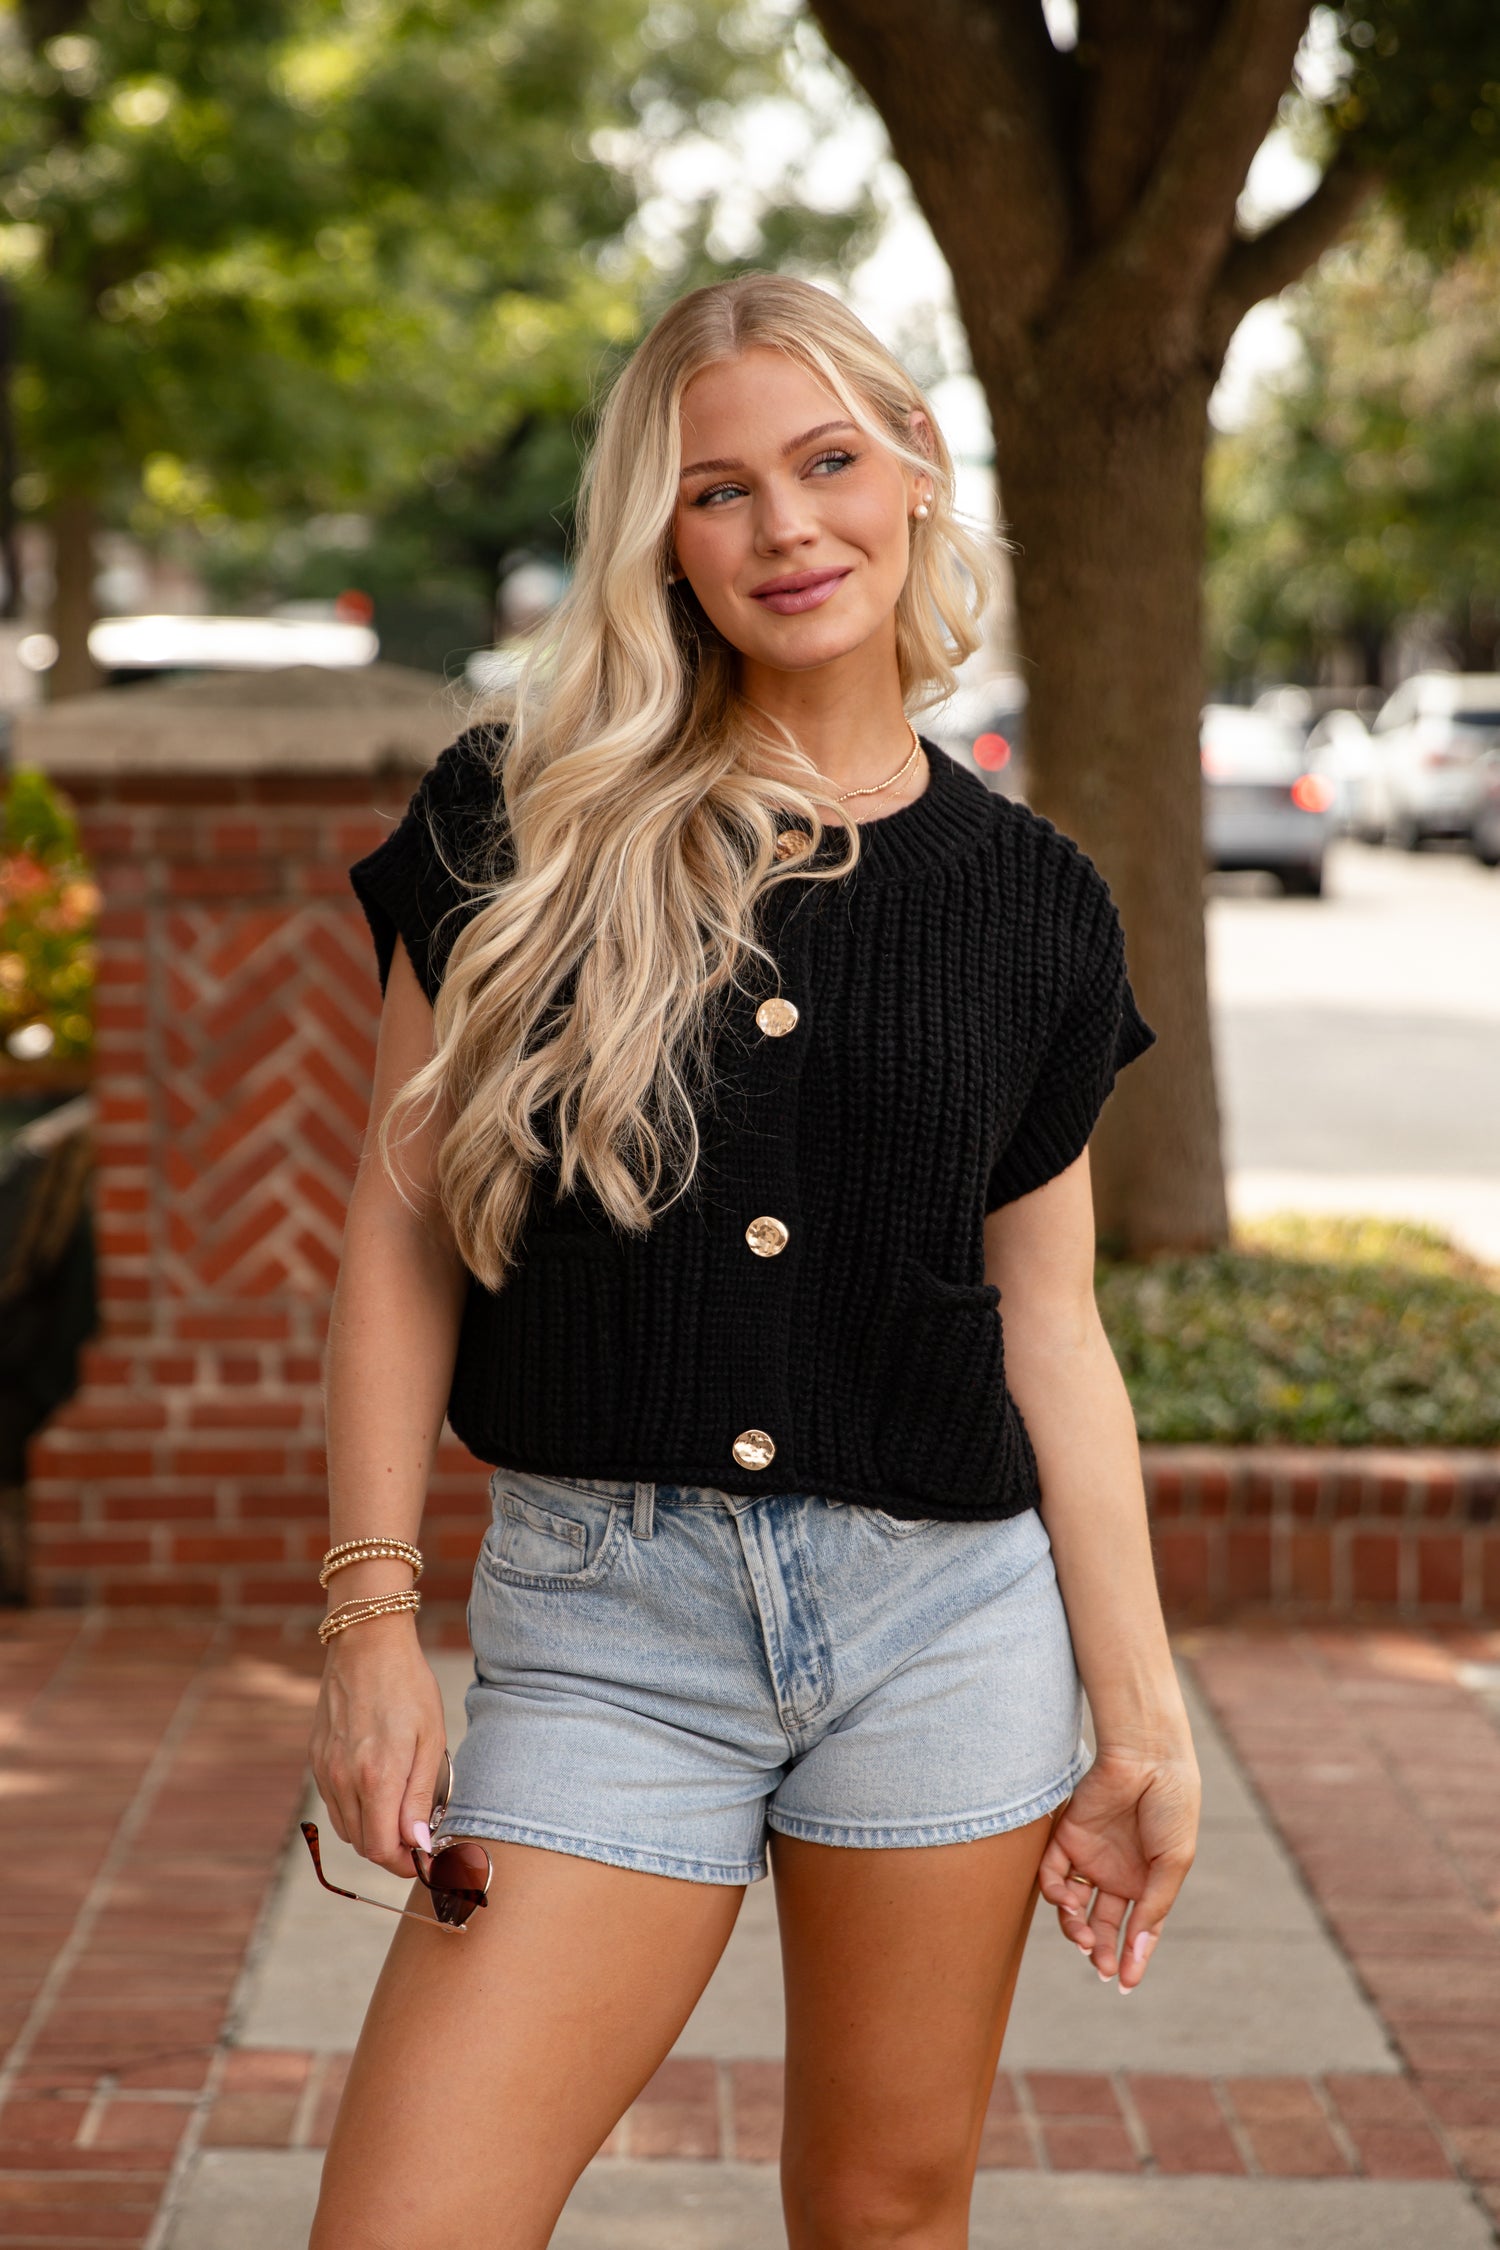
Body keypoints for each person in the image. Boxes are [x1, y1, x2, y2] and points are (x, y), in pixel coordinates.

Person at [306, 271, 1201, 2250]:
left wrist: (1139, 1724)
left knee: (883, 2218)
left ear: (913, 473)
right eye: (721, 492)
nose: (788, 527)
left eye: (826, 462)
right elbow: (394, 1234)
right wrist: (369, 1624)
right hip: (607, 1634)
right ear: (662, 541)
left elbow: (1050, 1325)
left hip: (942, 1633)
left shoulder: (1037, 906)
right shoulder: (517, 820)